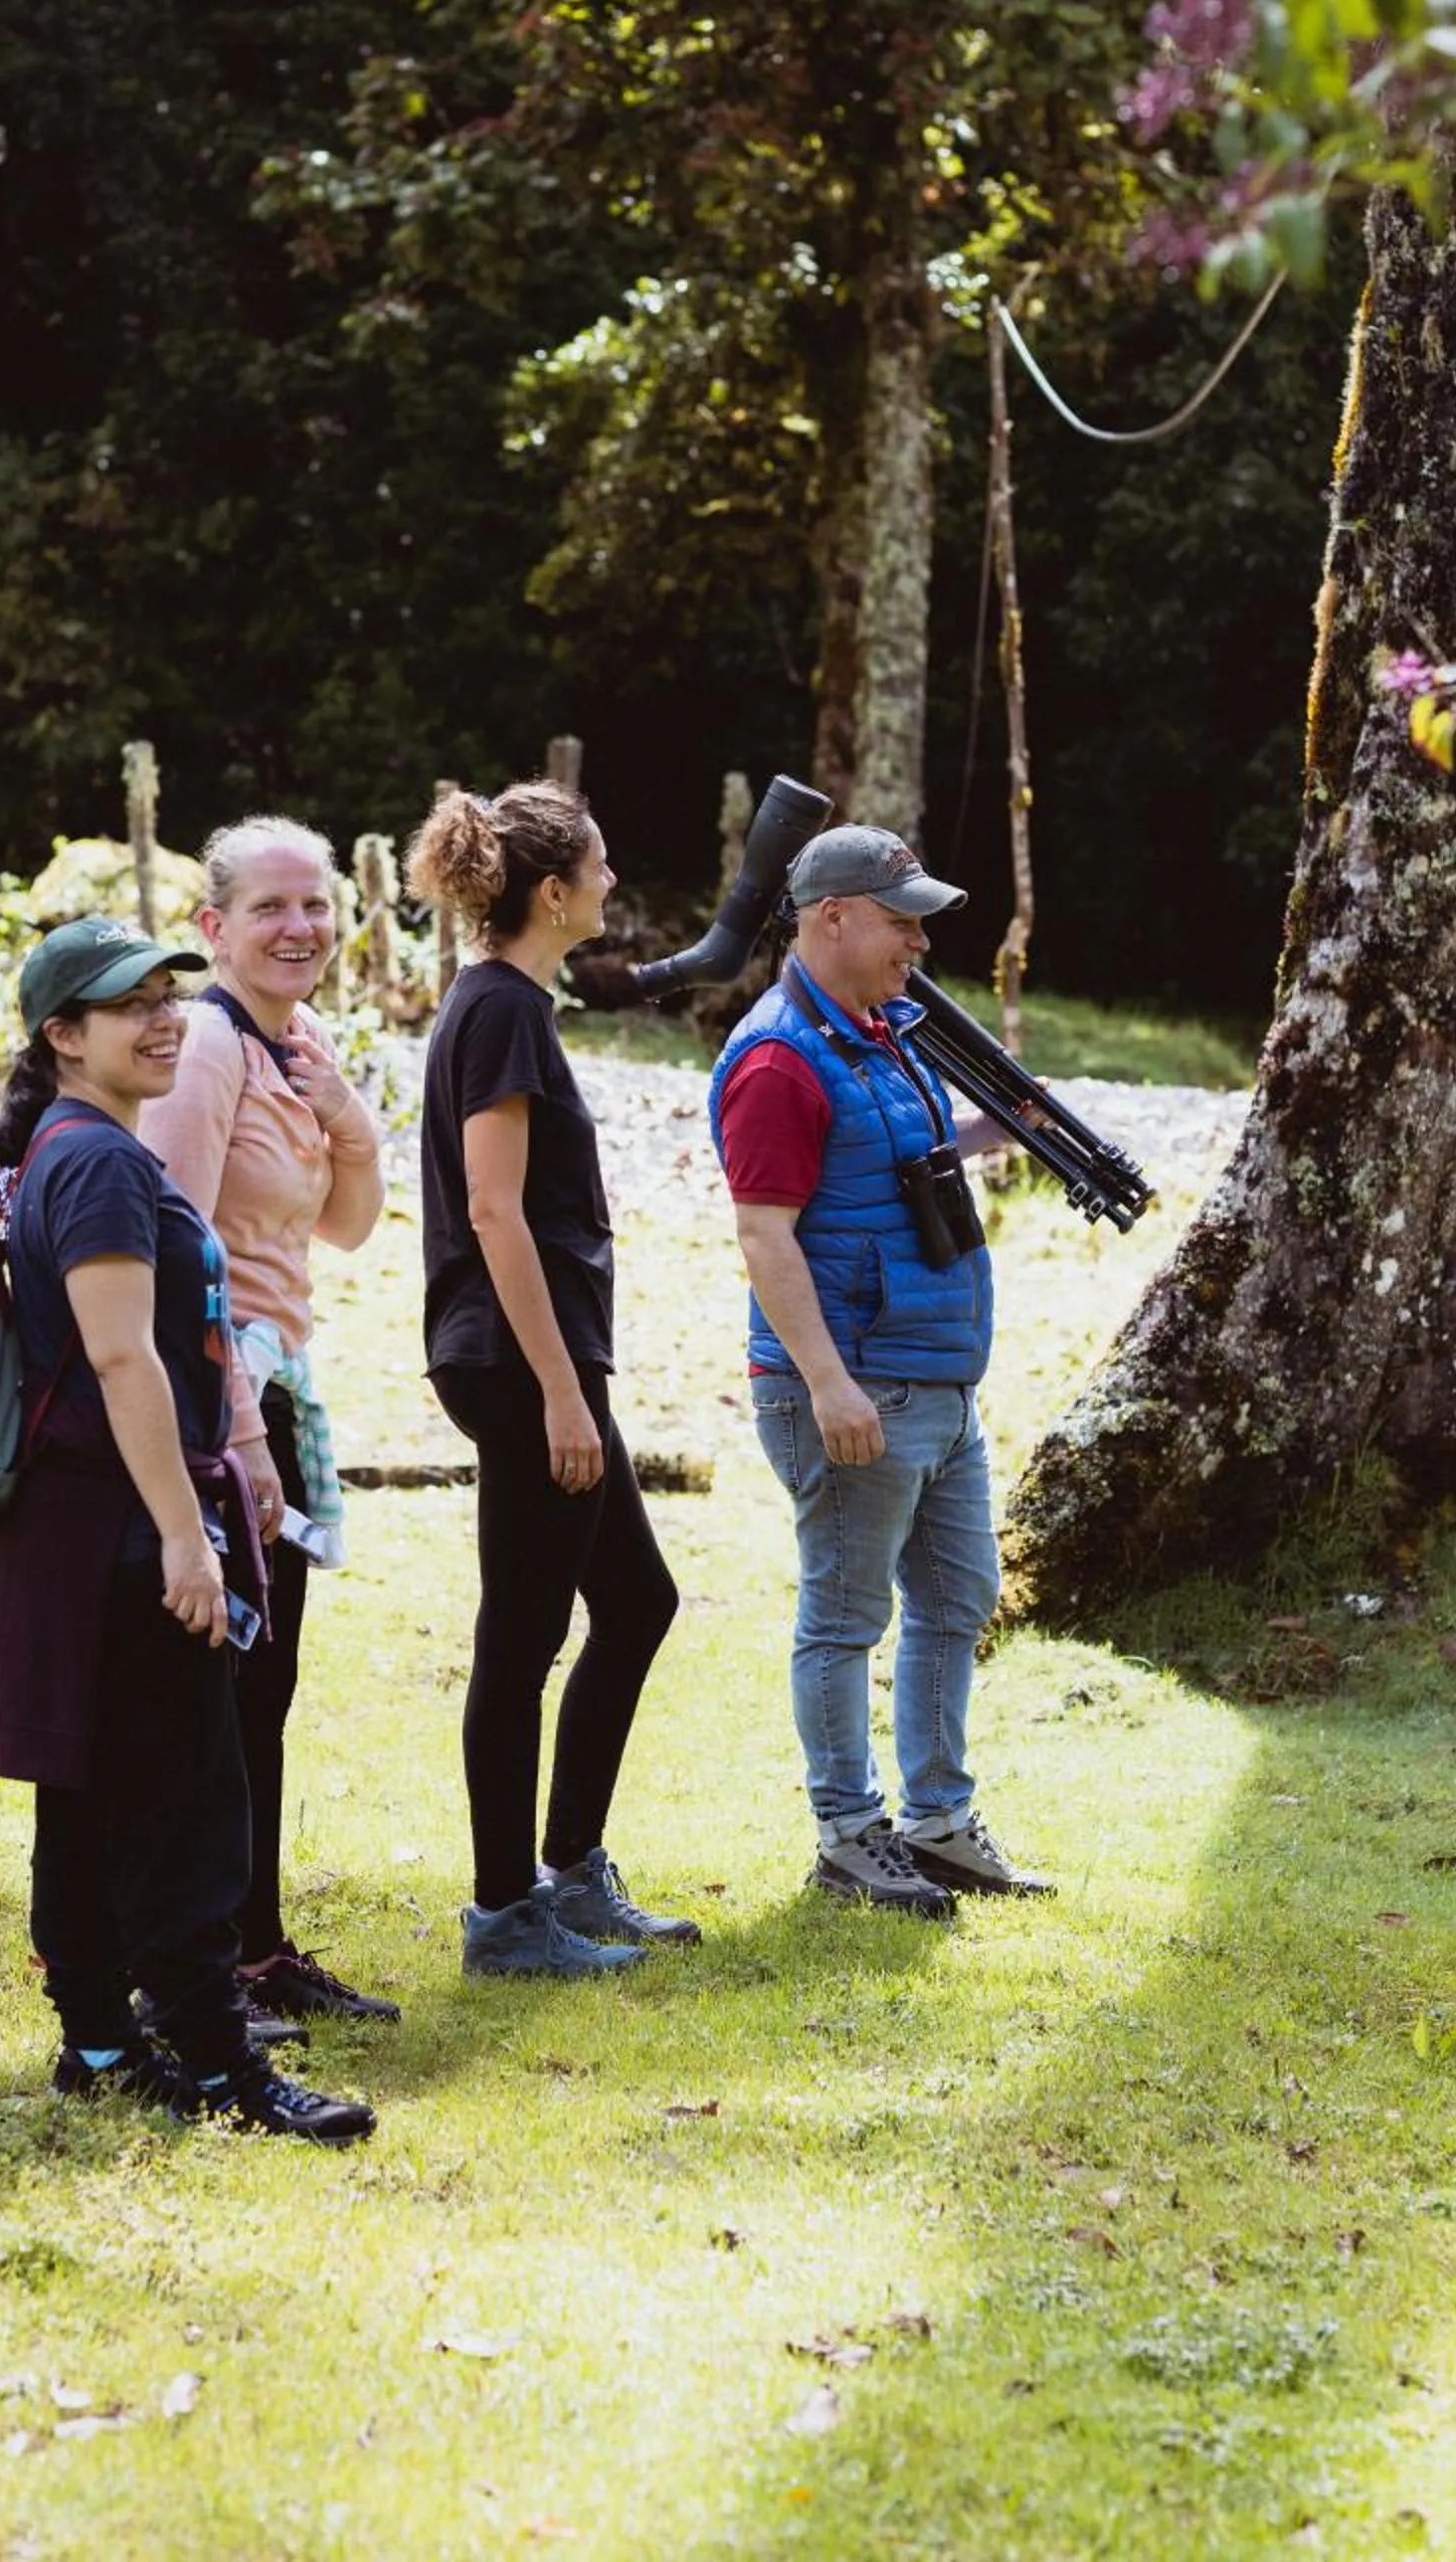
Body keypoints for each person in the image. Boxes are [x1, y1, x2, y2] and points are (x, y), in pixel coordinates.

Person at [0, 914, 375, 2141]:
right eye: (128, 1004)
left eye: (168, 997)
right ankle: (219, 2069)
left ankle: (98, 2042)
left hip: (86, 1521)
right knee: (186, 1795)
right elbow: (121, 1357)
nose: (163, 1021)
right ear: (62, 1035)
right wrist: (185, 1537)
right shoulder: (95, 1161)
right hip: (120, 1526)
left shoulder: (77, 1145)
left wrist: (237, 1451)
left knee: (91, 1788)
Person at [709, 826, 1054, 1911]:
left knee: (957, 1599)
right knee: (846, 1618)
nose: (919, 941)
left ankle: (938, 1823)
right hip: (855, 1385)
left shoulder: (879, 1032)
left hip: (935, 1380)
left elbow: (893, 1164)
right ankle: (849, 1836)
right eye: (901, 920)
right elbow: (764, 1234)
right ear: (832, 918)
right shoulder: (778, 1060)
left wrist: (989, 1131)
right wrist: (826, 1384)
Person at [406, 782, 697, 1979]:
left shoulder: (506, 1002)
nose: (613, 882)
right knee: (521, 1638)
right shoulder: (501, 1013)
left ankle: (568, 1867)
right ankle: (503, 1915)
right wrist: (562, 1393)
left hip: (537, 1358)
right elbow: (494, 1210)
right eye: (600, 864)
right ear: (551, 890)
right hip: (521, 1360)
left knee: (636, 1603)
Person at [139, 816, 399, 2028]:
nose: (300, 928)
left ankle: (254, 1947)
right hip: (216, 1396)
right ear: (214, 927)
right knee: (220, 1689)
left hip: (275, 1384)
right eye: (269, 909)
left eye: (315, 906)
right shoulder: (205, 1047)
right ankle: (196, 1965)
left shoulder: (296, 1043)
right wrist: (238, 1431)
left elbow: (347, 1224)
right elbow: (176, 1249)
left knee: (266, 1681)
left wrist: (345, 1111)